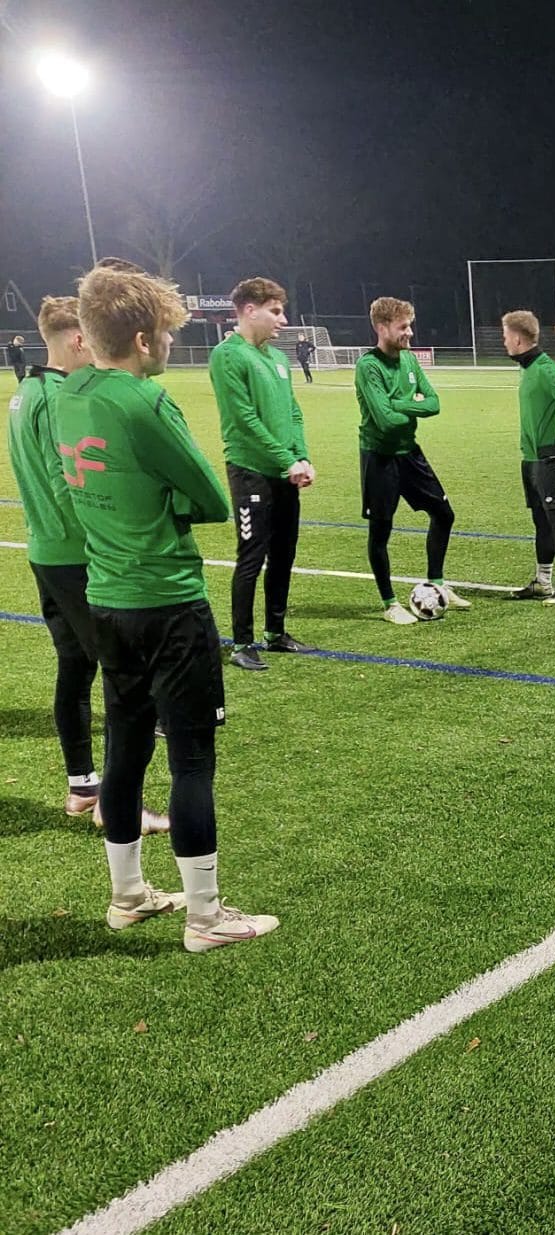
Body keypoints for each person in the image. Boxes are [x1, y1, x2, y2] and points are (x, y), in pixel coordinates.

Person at [54, 262, 278, 951]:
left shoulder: (68, 393)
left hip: (105, 600)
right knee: (191, 761)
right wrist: (167, 501)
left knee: (124, 750)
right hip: (168, 604)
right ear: (143, 339)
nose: (173, 344)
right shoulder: (145, 403)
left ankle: (127, 897)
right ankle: (206, 917)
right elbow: (211, 499)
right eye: (168, 333)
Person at [6, 296, 167, 834]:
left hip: (44, 551)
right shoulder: (58, 398)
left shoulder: (26, 391)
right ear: (79, 340)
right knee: (124, 678)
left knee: (75, 668)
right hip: (76, 554)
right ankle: (116, 804)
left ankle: (82, 787)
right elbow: (65, 480)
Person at [209, 277, 315, 671]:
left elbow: (293, 412)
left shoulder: (279, 359)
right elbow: (244, 419)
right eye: (276, 311)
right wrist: (286, 458)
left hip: (285, 472)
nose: (283, 320)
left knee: (284, 553)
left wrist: (301, 457)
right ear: (249, 310)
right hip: (250, 471)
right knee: (251, 556)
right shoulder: (227, 356)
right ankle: (242, 642)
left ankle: (275, 633)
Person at [355, 297, 469, 623]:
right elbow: (385, 421)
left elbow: (433, 403)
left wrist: (397, 404)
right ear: (382, 328)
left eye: (410, 325)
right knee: (381, 531)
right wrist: (408, 405)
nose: (410, 332)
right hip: (379, 457)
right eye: (403, 326)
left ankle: (437, 583)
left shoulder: (409, 360)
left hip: (410, 453)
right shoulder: (369, 366)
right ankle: (390, 604)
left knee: (444, 514)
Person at [502, 310, 555, 605]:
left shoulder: (546, 370)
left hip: (549, 461)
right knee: (541, 523)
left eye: (505, 336)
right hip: (531, 460)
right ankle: (542, 582)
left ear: (518, 338)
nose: (504, 341)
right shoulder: (526, 369)